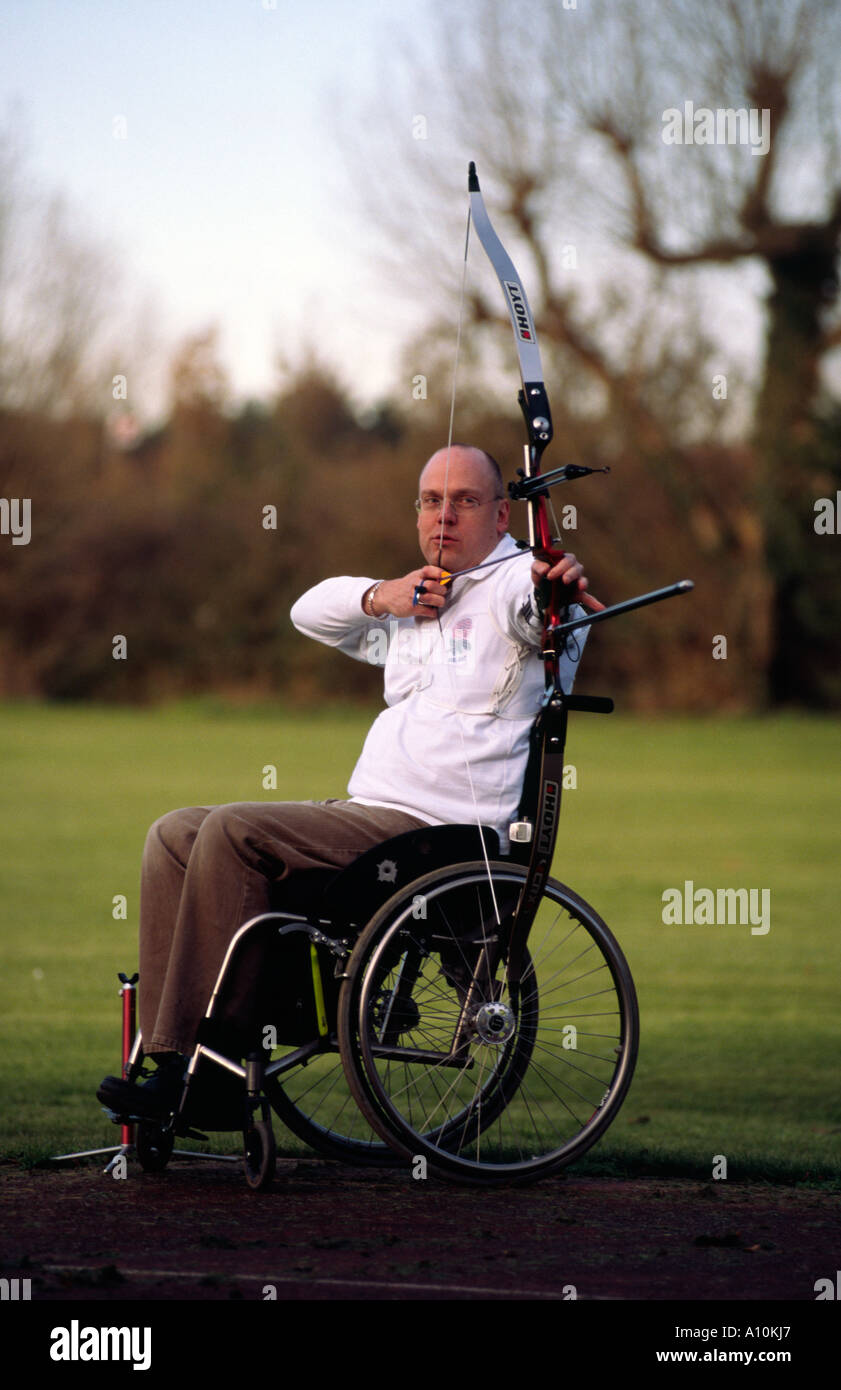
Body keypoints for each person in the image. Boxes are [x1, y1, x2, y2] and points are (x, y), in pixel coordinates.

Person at [97, 444, 601, 1119]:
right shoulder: (417, 597)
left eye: (465, 500)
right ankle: (170, 1058)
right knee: (174, 834)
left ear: (501, 512)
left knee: (232, 833)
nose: (443, 515)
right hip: (370, 818)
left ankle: (213, 1076)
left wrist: (553, 584)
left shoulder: (513, 583)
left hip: (438, 835)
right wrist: (381, 596)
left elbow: (536, 602)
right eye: (430, 500)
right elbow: (307, 610)